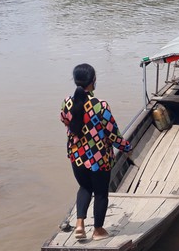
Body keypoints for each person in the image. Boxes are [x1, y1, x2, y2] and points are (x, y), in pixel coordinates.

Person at [60, 63, 132, 241]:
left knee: (84, 187)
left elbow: (65, 121)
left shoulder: (67, 102)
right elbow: (114, 136)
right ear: (93, 82)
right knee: (100, 193)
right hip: (99, 159)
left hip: (76, 157)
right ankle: (98, 231)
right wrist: (127, 148)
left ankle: (79, 224)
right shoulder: (101, 106)